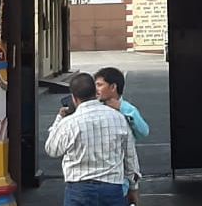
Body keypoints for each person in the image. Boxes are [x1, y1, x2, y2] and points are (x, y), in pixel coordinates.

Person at [45, 72, 141, 206]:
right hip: (112, 188)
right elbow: (130, 157)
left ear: (74, 98)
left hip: (78, 189)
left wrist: (59, 119)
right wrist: (133, 188)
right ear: (95, 92)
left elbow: (52, 149)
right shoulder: (118, 118)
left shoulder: (69, 123)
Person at [94, 67, 150, 141]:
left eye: (99, 85)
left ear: (113, 87)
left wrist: (123, 108)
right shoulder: (94, 108)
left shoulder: (129, 110)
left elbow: (144, 132)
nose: (96, 89)